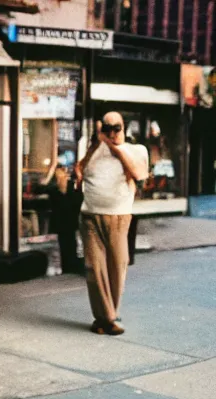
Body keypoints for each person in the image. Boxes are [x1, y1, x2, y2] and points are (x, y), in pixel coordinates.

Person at [75, 112, 149, 335]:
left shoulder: (136, 150)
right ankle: (107, 317)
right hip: (90, 214)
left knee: (118, 264)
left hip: (118, 216)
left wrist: (115, 147)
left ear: (123, 127)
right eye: (107, 128)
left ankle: (105, 318)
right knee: (94, 268)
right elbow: (79, 171)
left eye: (116, 128)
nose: (112, 133)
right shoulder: (92, 149)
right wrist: (95, 145)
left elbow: (137, 173)